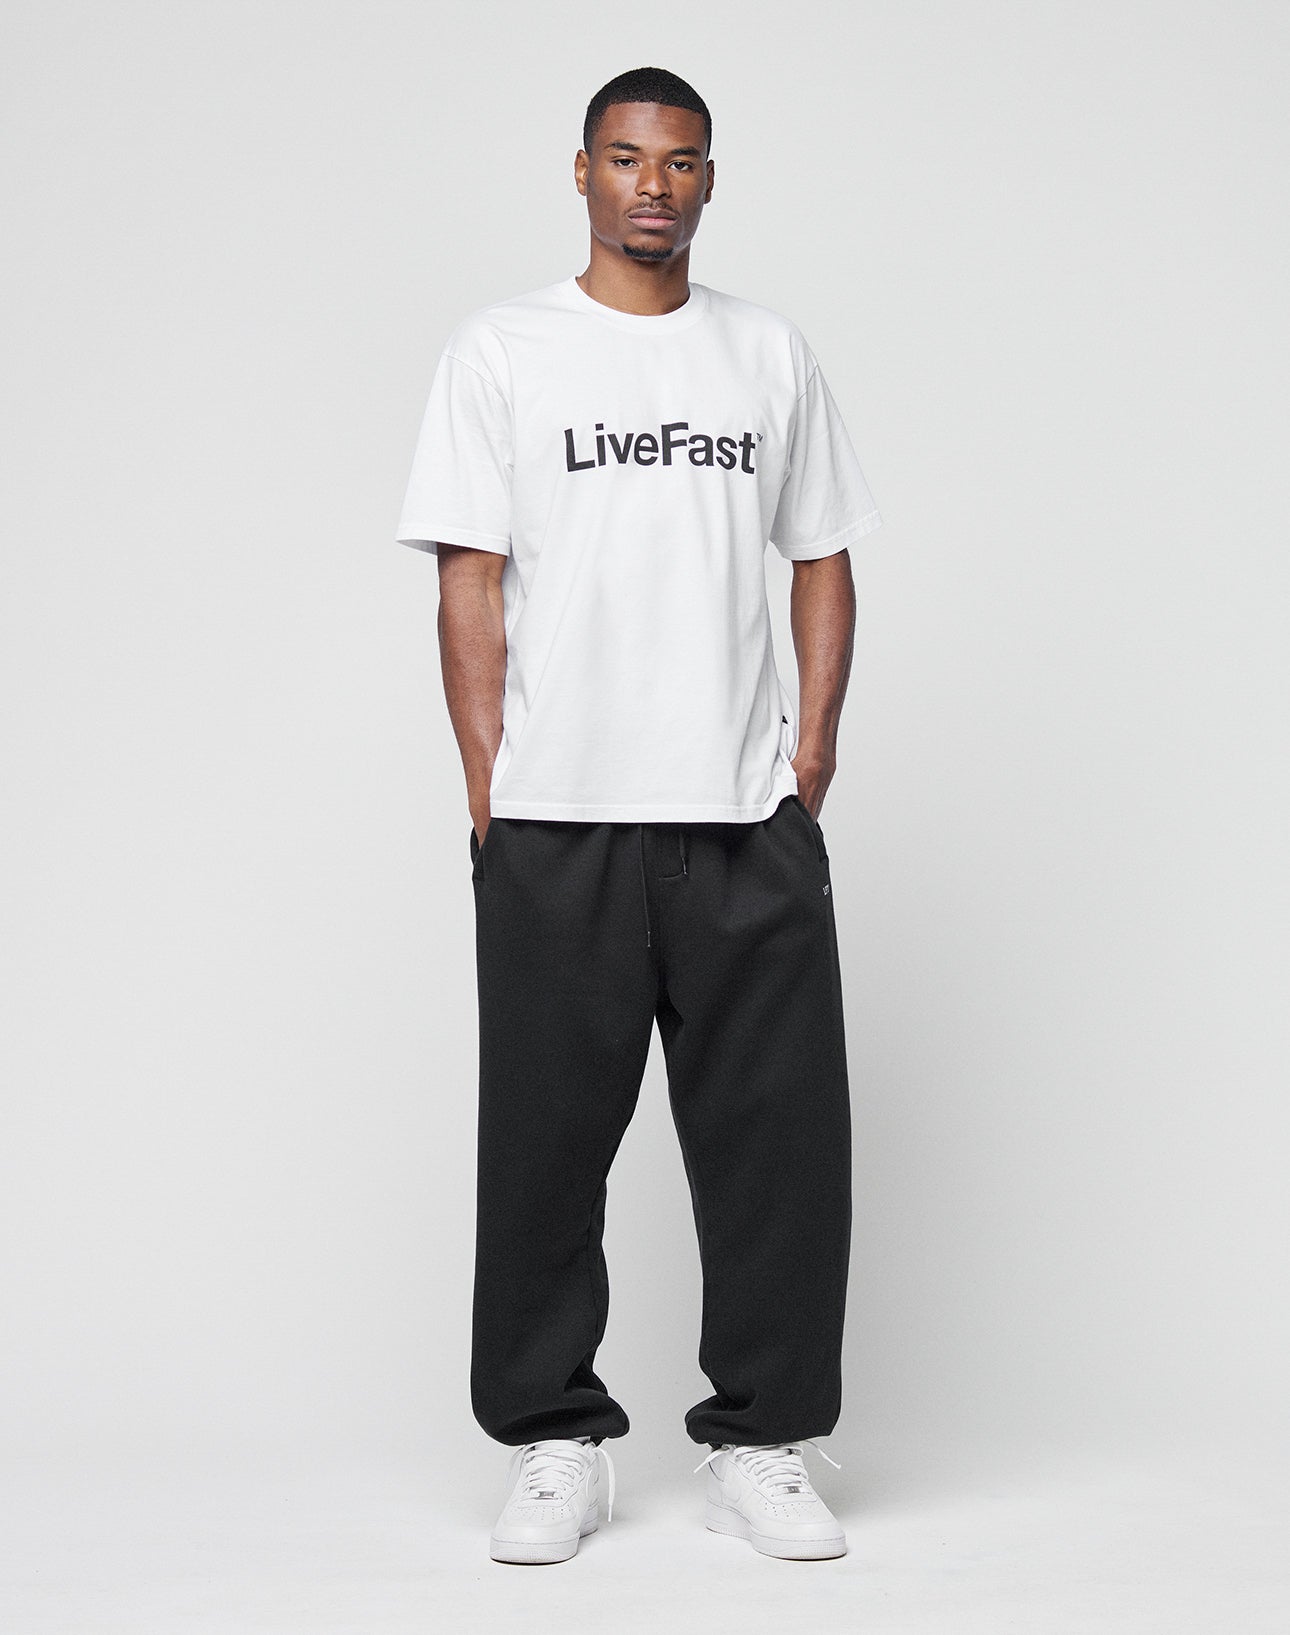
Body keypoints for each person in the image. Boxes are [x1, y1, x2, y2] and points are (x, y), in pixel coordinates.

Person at [395, 65, 884, 1565]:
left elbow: (822, 553)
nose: (652, 185)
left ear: (709, 181)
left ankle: (764, 1440)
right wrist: (488, 788)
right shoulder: (504, 353)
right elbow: (465, 576)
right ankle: (553, 1440)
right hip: (558, 821)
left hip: (741, 819)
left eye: (678, 162)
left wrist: (813, 756)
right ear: (583, 175)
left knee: (778, 1147)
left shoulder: (765, 355)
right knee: (543, 1146)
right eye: (625, 159)